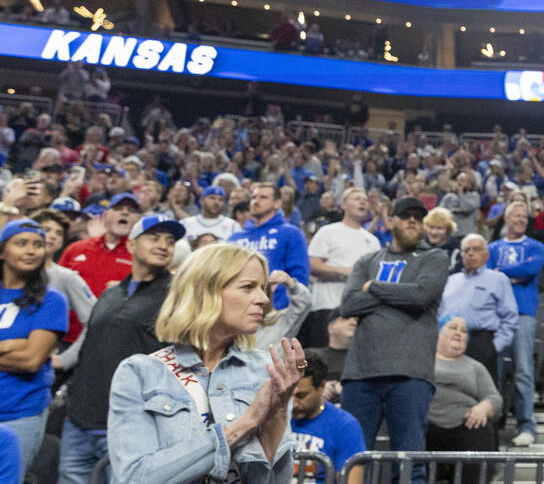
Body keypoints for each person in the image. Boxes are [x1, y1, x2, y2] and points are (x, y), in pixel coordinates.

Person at [106, 244, 303, 483]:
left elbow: (274, 480)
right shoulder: (140, 373)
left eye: (262, 288)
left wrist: (279, 412)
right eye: (248, 287)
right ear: (205, 292)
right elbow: (134, 477)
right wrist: (243, 425)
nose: (263, 299)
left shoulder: (267, 370)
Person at [56, 212, 182, 484]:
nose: (163, 245)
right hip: (80, 420)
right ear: (132, 245)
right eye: (154, 238)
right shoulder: (110, 294)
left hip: (132, 426)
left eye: (170, 241)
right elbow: (89, 346)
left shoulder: (177, 298)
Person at [338, 195, 449, 483]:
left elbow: (422, 295)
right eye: (405, 215)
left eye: (418, 216)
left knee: (410, 463)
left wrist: (374, 287)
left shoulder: (434, 257)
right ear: (392, 221)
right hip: (360, 373)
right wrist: (402, 295)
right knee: (354, 461)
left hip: (410, 373)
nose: (413, 220)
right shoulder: (367, 259)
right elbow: (348, 305)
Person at [0, 218, 68, 480]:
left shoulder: (52, 301)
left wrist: (20, 348)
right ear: (2, 251)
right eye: (22, 243)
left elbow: (31, 360)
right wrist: (11, 344)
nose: (31, 251)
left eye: (38, 245)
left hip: (20, 414)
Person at [486, 200, 544, 447]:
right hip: (495, 316)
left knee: (522, 370)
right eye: (516, 216)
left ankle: (526, 424)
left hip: (523, 313)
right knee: (493, 373)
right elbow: (487, 274)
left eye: (524, 216)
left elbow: (531, 269)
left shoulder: (536, 246)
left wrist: (501, 273)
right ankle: (493, 425)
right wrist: (512, 276)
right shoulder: (492, 247)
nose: (521, 220)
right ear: (506, 219)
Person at [426, 315, 501, 482]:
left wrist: (483, 407)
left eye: (463, 331)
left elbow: (494, 397)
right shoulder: (424, 360)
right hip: (427, 423)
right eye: (452, 328)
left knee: (482, 431)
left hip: (465, 423)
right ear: (438, 333)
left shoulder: (475, 367)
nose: (458, 333)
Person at [438, 233, 517, 384]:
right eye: (466, 250)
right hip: (448, 343)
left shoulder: (498, 279)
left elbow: (510, 317)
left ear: (486, 255)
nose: (471, 254)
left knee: (482, 393)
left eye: (476, 249)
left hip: (481, 343)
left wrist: (495, 347)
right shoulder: (451, 280)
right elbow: (439, 313)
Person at [307, 188, 380, 347]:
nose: (362, 201)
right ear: (343, 205)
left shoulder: (373, 240)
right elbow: (312, 265)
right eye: (356, 198)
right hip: (328, 305)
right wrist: (345, 272)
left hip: (359, 311)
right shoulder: (328, 232)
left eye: (364, 200)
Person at [228, 182, 311, 310]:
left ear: (277, 203)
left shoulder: (291, 233)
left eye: (263, 197)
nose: (256, 201)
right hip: (238, 310)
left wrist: (279, 307)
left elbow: (299, 277)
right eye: (253, 197)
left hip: (275, 311)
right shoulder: (234, 238)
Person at [30, 208, 95, 370]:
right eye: (47, 230)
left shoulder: (67, 277)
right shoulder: (9, 272)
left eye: (59, 233)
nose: (52, 236)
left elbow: (96, 319)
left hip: (38, 369)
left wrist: (66, 359)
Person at [291, 354, 365, 484]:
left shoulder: (345, 426)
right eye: (288, 394)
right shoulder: (274, 417)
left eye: (301, 395)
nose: (293, 403)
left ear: (321, 387)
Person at [59, 192, 139, 299]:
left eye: (131, 211)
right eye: (118, 208)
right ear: (105, 216)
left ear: (138, 220)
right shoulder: (76, 249)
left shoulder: (141, 256)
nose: (125, 213)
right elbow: (56, 284)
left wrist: (128, 288)